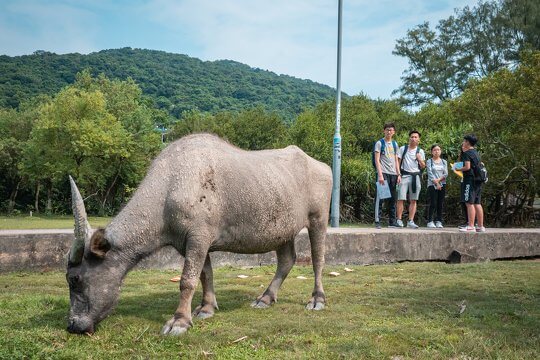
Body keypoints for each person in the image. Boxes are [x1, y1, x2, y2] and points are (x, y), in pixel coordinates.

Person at [373, 123, 401, 229]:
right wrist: (380, 175)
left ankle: (392, 222)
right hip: (383, 173)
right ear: (384, 131)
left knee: (393, 199)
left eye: (391, 130)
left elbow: (396, 161)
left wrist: (399, 174)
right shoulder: (379, 143)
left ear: (394, 132)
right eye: (387, 130)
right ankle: (377, 221)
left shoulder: (395, 144)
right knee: (380, 198)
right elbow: (377, 159)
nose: (389, 132)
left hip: (393, 174)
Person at [396, 130, 425, 228]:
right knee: (401, 198)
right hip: (404, 175)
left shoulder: (420, 151)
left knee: (414, 199)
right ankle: (399, 220)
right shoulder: (403, 148)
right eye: (412, 137)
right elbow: (398, 163)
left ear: (419, 140)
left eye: (416, 137)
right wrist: (398, 174)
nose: (413, 138)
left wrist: (419, 159)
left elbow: (423, 166)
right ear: (409, 138)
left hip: (415, 176)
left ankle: (410, 221)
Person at [458, 134, 485, 232]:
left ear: (468, 142)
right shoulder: (476, 153)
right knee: (477, 203)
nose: (463, 142)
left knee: (469, 202)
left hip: (469, 180)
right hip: (478, 180)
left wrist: (458, 168)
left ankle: (471, 226)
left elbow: (467, 167)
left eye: (464, 141)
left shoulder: (467, 153)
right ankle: (480, 226)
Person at [426, 144, 448, 228]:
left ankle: (439, 221)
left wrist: (439, 182)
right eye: (435, 150)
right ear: (432, 152)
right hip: (432, 184)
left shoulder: (444, 161)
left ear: (441, 151)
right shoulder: (429, 161)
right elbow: (430, 173)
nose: (436, 151)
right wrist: (436, 183)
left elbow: (445, 173)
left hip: (442, 184)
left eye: (438, 149)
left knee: (440, 203)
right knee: (433, 202)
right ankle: (430, 221)